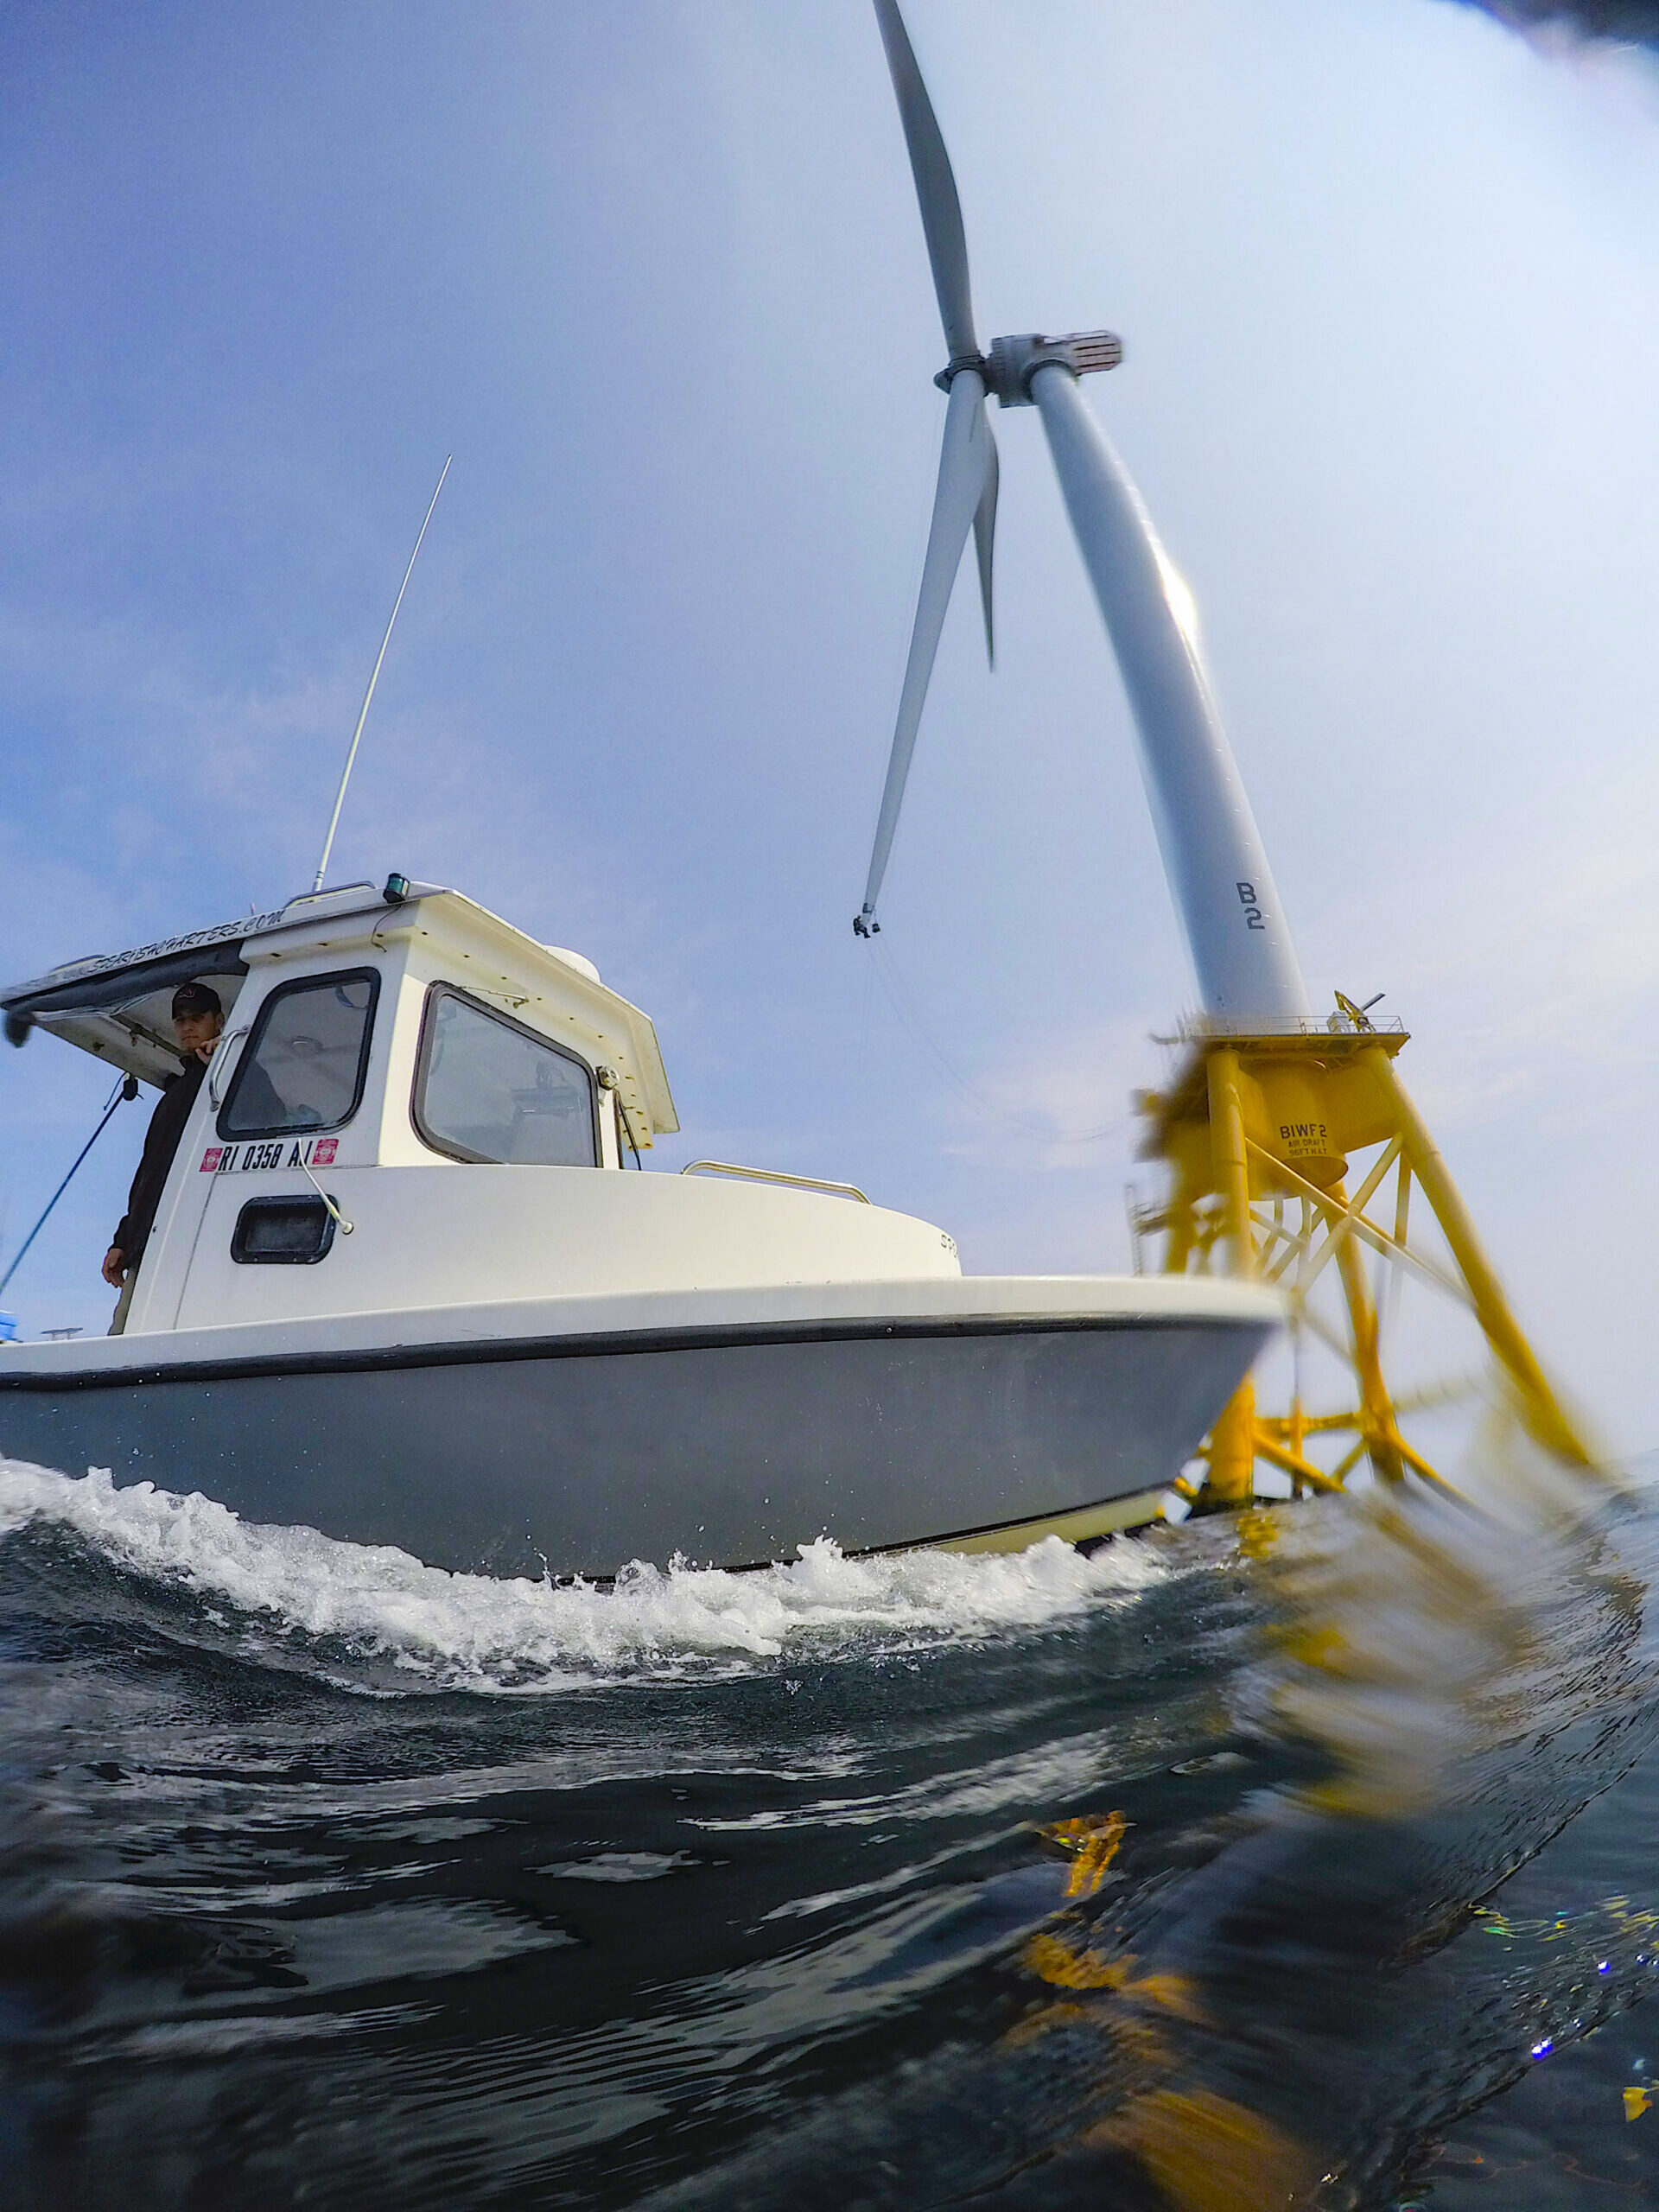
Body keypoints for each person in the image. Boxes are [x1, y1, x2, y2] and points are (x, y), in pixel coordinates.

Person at [104, 982, 224, 1334]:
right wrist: (123, 1240)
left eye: (197, 1017)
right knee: (122, 1344)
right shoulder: (175, 1094)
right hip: (150, 1246)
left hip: (202, 1248)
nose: (187, 1026)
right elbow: (149, 1175)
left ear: (218, 1021)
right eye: (180, 1020)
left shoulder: (238, 1073)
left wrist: (230, 1056)